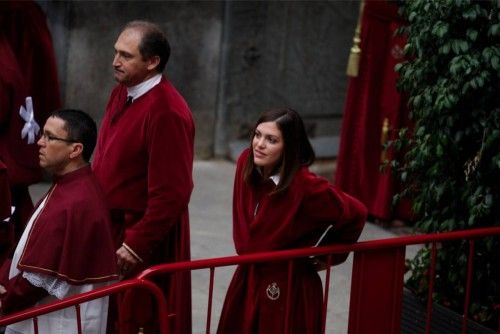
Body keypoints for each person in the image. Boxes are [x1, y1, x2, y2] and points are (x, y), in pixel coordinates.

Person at [217, 108, 367, 334]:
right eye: (257, 135)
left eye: (271, 140)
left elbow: (356, 213)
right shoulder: (245, 164)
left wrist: (328, 255)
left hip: (289, 287)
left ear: (289, 146)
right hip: (247, 280)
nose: (259, 144)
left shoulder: (306, 186)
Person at [92, 20, 195, 334]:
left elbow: (173, 192)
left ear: (152, 62)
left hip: (140, 237)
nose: (115, 61)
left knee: (138, 319)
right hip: (111, 228)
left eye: (126, 55)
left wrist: (136, 244)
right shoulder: (121, 91)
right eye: (115, 52)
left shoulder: (167, 112)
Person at [0, 109, 118, 333]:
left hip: (57, 321)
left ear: (76, 149)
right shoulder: (69, 184)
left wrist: (5, 301)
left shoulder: (77, 201)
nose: (39, 142)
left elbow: (40, 278)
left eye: (49, 137)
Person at [335, 0, 412, 224]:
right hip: (378, 25)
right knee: (369, 111)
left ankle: (391, 200)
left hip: (406, 27)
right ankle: (365, 196)